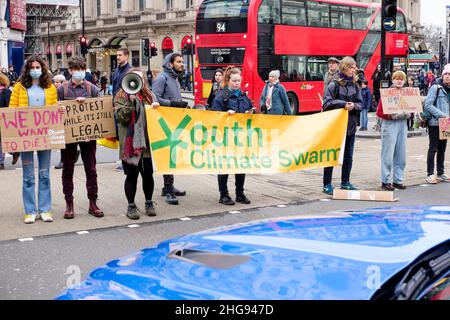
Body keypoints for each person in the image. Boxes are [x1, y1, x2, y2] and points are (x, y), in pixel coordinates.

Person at [9, 55, 58, 224]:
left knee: (45, 174)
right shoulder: (19, 87)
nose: (35, 70)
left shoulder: (50, 87)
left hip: (45, 135)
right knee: (28, 176)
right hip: (26, 137)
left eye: (38, 67)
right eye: (32, 67)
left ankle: (44, 210)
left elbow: (54, 108)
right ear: (27, 69)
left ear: (42, 69)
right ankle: (30, 211)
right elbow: (12, 110)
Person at [57, 57, 103, 219]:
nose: (79, 72)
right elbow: (54, 111)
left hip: (89, 136)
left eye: (82, 69)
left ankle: (93, 202)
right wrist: (61, 109)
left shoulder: (92, 89)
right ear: (70, 71)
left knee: (91, 169)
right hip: (69, 136)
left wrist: (87, 103)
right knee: (67, 169)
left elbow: (101, 112)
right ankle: (69, 204)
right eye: (76, 69)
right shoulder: (62, 89)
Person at [115, 68, 159, 220]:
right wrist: (130, 102)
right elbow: (122, 118)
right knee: (131, 176)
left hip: (145, 143)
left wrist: (155, 109)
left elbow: (156, 118)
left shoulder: (149, 96)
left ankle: (149, 202)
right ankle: (131, 206)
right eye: (134, 78)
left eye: (140, 79)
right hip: (130, 145)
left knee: (148, 175)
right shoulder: (121, 96)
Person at [211, 67, 254, 205]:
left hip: (240, 137)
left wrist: (251, 111)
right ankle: (223, 194)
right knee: (224, 166)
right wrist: (225, 115)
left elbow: (250, 108)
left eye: (239, 81)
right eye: (234, 81)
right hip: (225, 138)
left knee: (241, 166)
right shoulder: (221, 97)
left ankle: (240, 193)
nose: (237, 83)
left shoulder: (243, 95)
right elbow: (214, 116)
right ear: (228, 81)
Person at [322, 56, 363, 195]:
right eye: (352, 67)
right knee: (332, 155)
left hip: (350, 127)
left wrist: (354, 106)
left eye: (355, 67)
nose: (354, 70)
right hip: (335, 127)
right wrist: (343, 104)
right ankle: (327, 184)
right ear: (345, 67)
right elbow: (326, 103)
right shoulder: (334, 84)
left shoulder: (355, 85)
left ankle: (345, 182)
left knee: (348, 156)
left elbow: (361, 104)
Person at [152, 52, 188, 205]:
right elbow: (155, 97)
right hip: (164, 122)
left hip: (174, 120)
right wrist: (173, 104)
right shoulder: (162, 78)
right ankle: (167, 189)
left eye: (182, 61)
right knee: (168, 154)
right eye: (179, 62)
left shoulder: (174, 78)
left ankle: (169, 185)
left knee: (173, 153)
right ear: (170, 64)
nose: (182, 64)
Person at [376, 71, 410, 191]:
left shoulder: (407, 93)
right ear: (393, 80)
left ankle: (398, 180)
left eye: (401, 78)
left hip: (402, 125)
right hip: (390, 124)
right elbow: (379, 112)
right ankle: (385, 181)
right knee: (388, 155)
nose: (399, 80)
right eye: (397, 78)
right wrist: (393, 116)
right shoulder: (387, 93)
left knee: (401, 155)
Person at [423, 64, 450, 184]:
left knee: (442, 149)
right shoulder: (436, 87)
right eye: (446, 74)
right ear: (443, 75)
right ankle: (429, 174)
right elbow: (428, 105)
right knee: (433, 148)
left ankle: (440, 172)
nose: (448, 77)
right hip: (435, 123)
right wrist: (442, 115)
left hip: (446, 123)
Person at [112, 48, 132, 172]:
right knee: (119, 134)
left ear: (126, 56)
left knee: (125, 133)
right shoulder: (116, 71)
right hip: (116, 106)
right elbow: (114, 88)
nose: (118, 57)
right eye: (117, 55)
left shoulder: (130, 71)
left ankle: (125, 160)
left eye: (120, 55)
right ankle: (123, 158)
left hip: (125, 107)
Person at [0, 73, 12, 170]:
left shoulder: (6, 91)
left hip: (3, 120)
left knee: (2, 141)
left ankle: (1, 161)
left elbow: (9, 106)